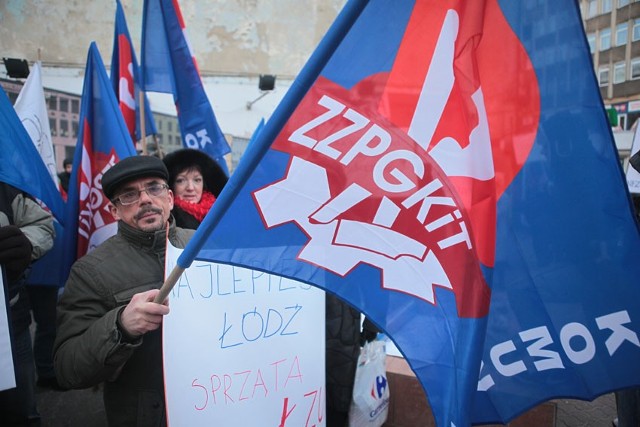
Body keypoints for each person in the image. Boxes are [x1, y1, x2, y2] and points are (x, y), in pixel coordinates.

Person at [53, 155, 195, 427]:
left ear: (170, 198)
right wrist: (120, 327)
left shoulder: (204, 248)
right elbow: (67, 369)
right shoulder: (90, 272)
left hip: (215, 400)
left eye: (154, 188)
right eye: (129, 195)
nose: (145, 199)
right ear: (115, 210)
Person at [0, 183, 55, 426]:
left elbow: (43, 224)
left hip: (11, 322)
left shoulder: (5, 188)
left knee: (21, 408)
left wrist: (24, 244)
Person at [162, 148, 228, 229]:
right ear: (171, 185)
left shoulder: (222, 213)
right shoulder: (166, 220)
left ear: (204, 184)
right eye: (181, 180)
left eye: (197, 180)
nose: (190, 188)